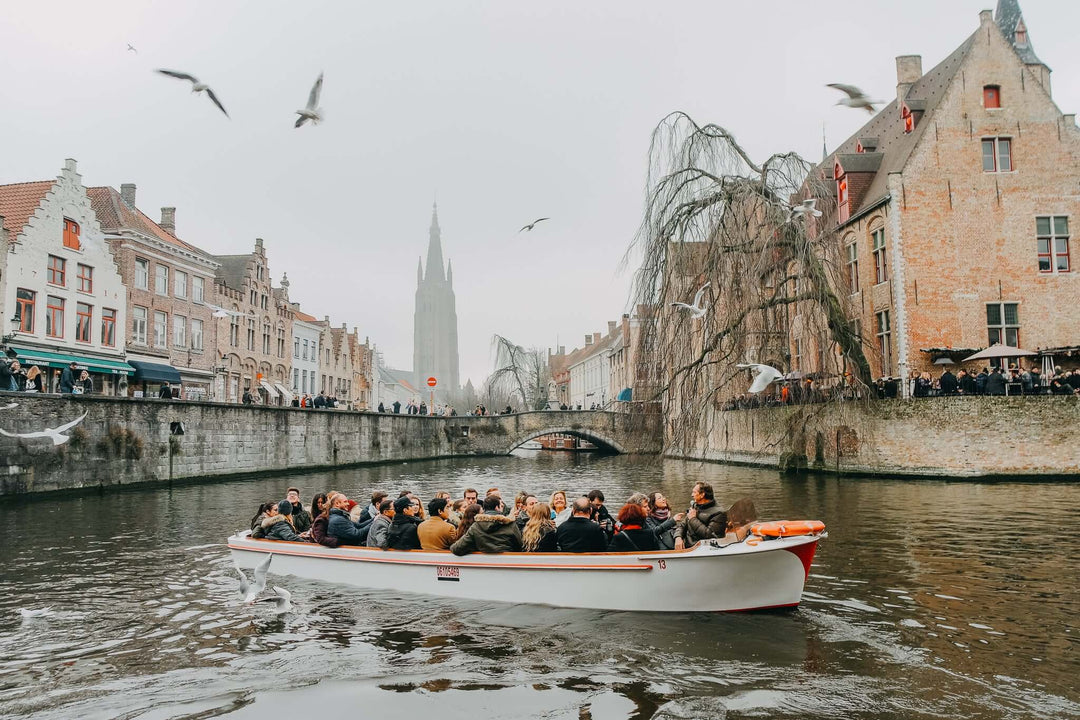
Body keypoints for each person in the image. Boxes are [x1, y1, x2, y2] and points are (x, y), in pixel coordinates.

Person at [450, 494, 523, 555]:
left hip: (482, 560)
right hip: (507, 560)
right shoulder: (510, 524)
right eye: (501, 506)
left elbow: (457, 548)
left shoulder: (476, 525)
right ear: (497, 508)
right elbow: (519, 546)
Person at [674, 482, 727, 550]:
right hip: (685, 543)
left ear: (702, 495)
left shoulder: (719, 513)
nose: (692, 495)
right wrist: (678, 537)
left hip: (699, 548)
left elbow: (710, 535)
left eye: (694, 492)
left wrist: (693, 519)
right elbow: (682, 525)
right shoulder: (695, 506)